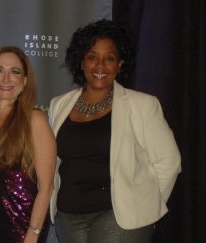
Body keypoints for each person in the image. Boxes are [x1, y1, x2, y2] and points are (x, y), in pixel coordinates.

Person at [48, 19, 181, 243]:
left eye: (109, 58)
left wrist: (146, 205)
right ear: (81, 62)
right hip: (68, 215)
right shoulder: (58, 105)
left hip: (119, 217)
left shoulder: (142, 105)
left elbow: (169, 162)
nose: (100, 66)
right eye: (92, 57)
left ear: (120, 64)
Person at [0, 46, 56, 243]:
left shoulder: (35, 119)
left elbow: (46, 186)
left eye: (14, 72)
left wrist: (33, 235)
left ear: (24, 81)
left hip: (23, 227)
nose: (6, 79)